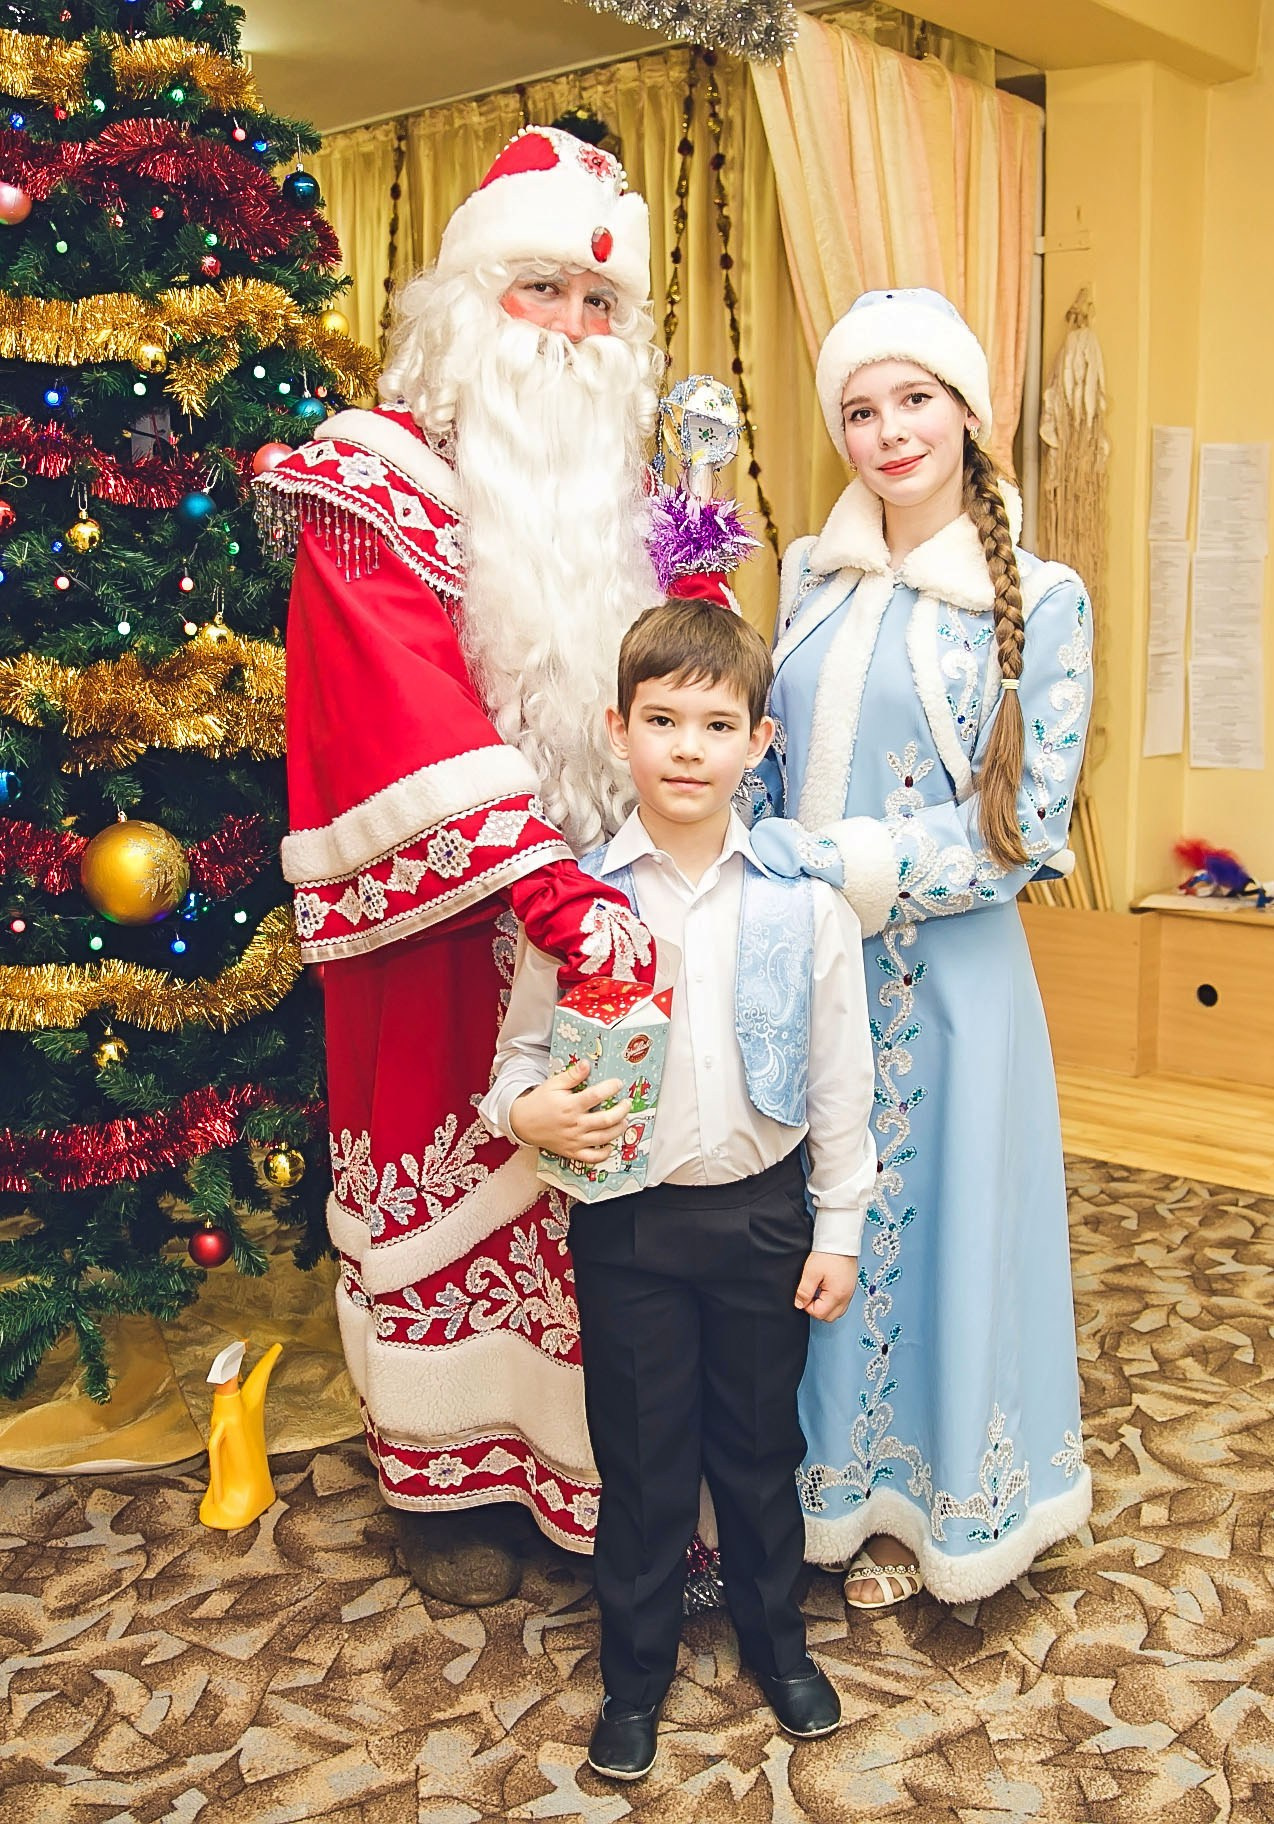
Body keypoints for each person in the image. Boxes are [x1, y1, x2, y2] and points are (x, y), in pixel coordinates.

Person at [260, 125, 666, 1607]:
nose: (569, 328)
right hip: (444, 927)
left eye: (599, 302)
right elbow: (397, 706)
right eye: (539, 287)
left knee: (599, 1204)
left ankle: (591, 1478)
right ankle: (452, 1485)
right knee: (452, 1194)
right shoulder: (367, 482)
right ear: (462, 302)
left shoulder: (618, 498)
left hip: (592, 923)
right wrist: (541, 883)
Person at [478, 601, 878, 1779]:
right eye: (661, 721)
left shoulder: (802, 904)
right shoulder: (576, 907)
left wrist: (837, 1226)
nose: (687, 749)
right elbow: (517, 1056)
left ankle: (776, 1644)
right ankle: (634, 1675)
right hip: (628, 1228)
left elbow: (840, 1076)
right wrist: (523, 1112)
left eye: (715, 724)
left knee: (757, 1452)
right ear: (618, 730)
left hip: (761, 1217)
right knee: (644, 1465)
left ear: (758, 742)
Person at [749, 287, 1094, 1610]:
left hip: (951, 987)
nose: (888, 431)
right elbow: (765, 761)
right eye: (859, 409)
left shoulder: (1039, 600)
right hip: (809, 970)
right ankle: (819, 1497)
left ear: (964, 414)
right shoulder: (807, 576)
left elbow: (1027, 833)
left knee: (944, 1231)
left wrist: (842, 866)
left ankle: (936, 1507)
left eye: (914, 400)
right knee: (811, 1229)